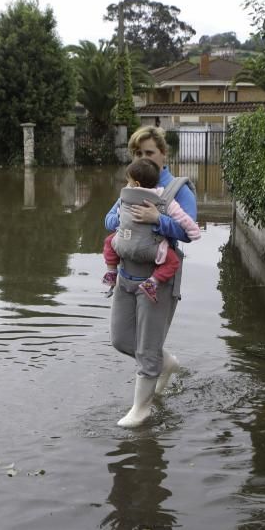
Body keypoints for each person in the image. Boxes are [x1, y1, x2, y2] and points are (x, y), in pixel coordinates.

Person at [105, 126, 198, 427]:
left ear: (163, 154)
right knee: (121, 339)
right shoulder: (133, 186)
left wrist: (159, 220)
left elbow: (189, 231)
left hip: (158, 278)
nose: (144, 158)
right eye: (138, 153)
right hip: (125, 275)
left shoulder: (177, 189)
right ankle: (164, 362)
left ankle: (141, 410)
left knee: (146, 348)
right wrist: (125, 212)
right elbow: (109, 221)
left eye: (149, 152)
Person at [102, 158, 201, 302]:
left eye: (128, 181)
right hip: (151, 250)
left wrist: (125, 218)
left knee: (109, 241)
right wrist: (194, 231)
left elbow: (113, 218)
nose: (127, 184)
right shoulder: (161, 197)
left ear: (136, 183)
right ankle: (152, 282)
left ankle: (111, 271)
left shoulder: (125, 195)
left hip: (124, 244)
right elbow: (183, 218)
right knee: (173, 261)